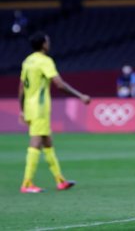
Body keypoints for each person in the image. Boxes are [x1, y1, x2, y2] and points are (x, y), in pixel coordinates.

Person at [18, 31, 91, 193]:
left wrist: (21, 109)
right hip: (40, 107)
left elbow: (21, 87)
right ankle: (27, 183)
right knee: (36, 142)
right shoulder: (45, 61)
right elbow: (59, 84)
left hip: (30, 107)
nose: (49, 43)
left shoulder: (27, 61)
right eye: (47, 41)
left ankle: (60, 180)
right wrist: (80, 96)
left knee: (48, 142)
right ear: (43, 44)